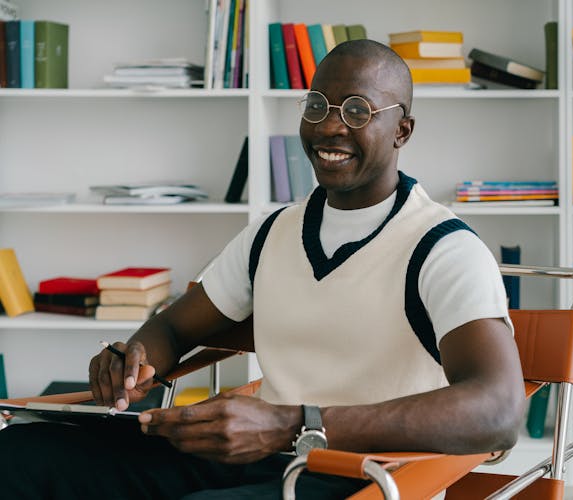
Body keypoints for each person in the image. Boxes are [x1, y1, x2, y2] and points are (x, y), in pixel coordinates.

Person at [0, 39, 525, 499]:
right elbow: (175, 325)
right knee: (22, 454)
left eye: (359, 111)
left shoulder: (443, 247)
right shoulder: (273, 232)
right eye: (317, 104)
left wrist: (294, 424)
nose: (330, 125)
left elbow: (498, 411)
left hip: (367, 473)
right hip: (256, 457)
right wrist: (136, 360)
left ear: (402, 131)